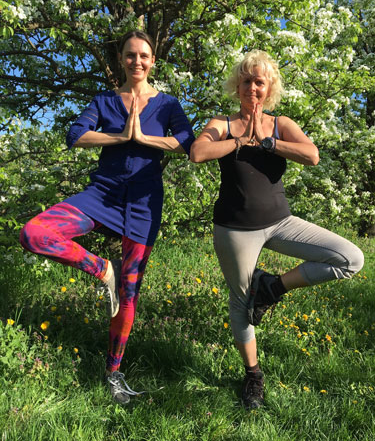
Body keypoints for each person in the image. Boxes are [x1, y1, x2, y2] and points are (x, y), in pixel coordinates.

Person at [19, 30, 195, 405]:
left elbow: (188, 143)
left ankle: (113, 375)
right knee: (34, 233)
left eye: (144, 56)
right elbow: (75, 134)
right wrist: (120, 138)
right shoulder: (105, 100)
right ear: (121, 59)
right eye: (131, 55)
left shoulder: (167, 104)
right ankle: (103, 269)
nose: (137, 62)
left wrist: (145, 140)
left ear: (153, 61)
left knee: (129, 294)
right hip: (102, 195)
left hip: (144, 204)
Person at [189, 49, 364, 410]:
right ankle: (253, 375)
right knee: (240, 303)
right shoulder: (222, 122)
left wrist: (267, 142)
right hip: (235, 228)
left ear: (269, 88)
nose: (252, 87)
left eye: (259, 81)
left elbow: (311, 154)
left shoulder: (280, 122)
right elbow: (198, 152)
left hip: (281, 222)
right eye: (246, 80)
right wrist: (240, 141)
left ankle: (272, 286)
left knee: (350, 258)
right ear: (236, 85)